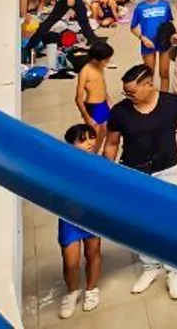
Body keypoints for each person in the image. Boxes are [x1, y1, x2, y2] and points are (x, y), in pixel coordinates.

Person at [103, 64, 177, 301]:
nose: (128, 96)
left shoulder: (173, 104)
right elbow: (112, 143)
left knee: (172, 222)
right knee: (140, 223)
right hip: (134, 174)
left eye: (132, 92)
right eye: (126, 93)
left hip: (168, 170)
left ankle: (174, 271)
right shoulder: (120, 112)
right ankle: (150, 267)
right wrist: (109, 171)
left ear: (149, 85)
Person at [56, 123, 106, 318]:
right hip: (69, 218)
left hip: (92, 216)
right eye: (82, 140)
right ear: (71, 144)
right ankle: (72, 292)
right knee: (71, 262)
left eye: (91, 138)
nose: (89, 143)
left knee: (93, 253)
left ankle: (92, 289)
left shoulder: (98, 163)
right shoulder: (63, 165)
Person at [73, 40, 114, 137]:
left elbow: (102, 85)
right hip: (93, 106)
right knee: (94, 135)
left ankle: (96, 151)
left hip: (103, 103)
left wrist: (109, 101)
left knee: (104, 132)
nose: (107, 62)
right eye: (106, 59)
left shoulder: (100, 66)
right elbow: (78, 99)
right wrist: (86, 116)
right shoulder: (85, 72)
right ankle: (91, 152)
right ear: (96, 59)